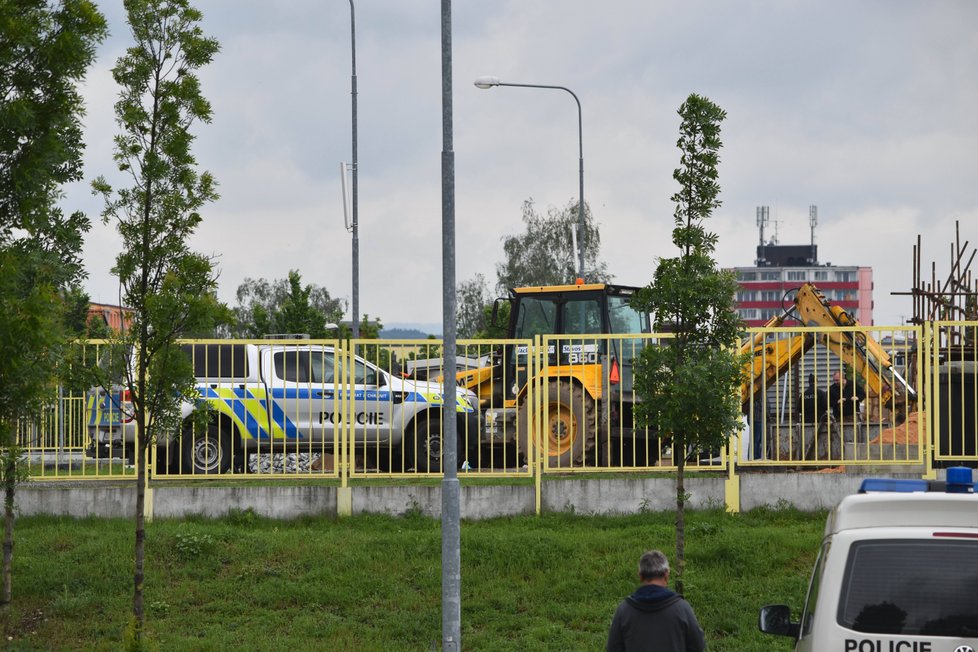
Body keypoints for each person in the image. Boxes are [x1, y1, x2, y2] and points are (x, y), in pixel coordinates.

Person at [607, 550, 706, 652]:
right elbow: (697, 646)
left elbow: (613, 648)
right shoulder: (682, 608)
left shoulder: (624, 610)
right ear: (666, 576)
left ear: (640, 576)